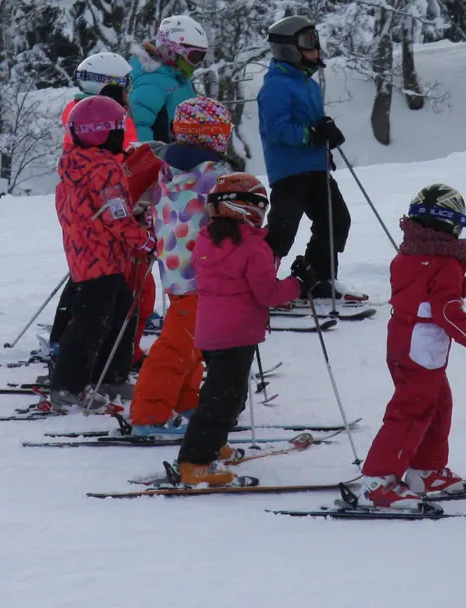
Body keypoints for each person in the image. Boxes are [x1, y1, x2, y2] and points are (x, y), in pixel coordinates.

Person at [351, 184, 466, 512]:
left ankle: (425, 471)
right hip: (421, 347)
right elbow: (446, 309)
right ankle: (377, 481)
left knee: (437, 404)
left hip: (405, 342)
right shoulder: (444, 263)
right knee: (411, 411)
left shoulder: (409, 253)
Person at [175, 172, 301, 487]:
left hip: (211, 333)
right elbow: (268, 293)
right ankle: (195, 460)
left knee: (223, 394)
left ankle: (213, 443)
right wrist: (300, 283)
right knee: (223, 400)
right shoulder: (252, 247)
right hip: (237, 334)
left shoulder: (205, 240)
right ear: (247, 208)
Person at [127, 97, 234, 436]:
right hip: (205, 274)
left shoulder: (168, 169)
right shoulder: (215, 175)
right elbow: (231, 222)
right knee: (178, 345)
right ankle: (149, 415)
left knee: (194, 341)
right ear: (215, 136)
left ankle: (185, 402)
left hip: (176, 271)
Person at [48, 95, 153, 408]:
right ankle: (67, 386)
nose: (122, 136)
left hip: (85, 252)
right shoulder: (104, 169)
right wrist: (144, 239)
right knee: (92, 321)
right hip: (102, 257)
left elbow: (92, 211)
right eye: (118, 129)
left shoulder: (74, 165)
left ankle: (111, 377)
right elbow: (115, 216)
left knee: (121, 310)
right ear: (101, 132)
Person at [258, 15, 353, 301]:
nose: (316, 49)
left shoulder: (308, 84)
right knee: (283, 229)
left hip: (316, 167)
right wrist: (311, 134)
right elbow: (276, 129)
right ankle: (260, 283)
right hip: (290, 171)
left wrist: (326, 130)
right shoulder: (276, 86)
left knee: (336, 220)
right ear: (288, 48)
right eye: (308, 43)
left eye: (316, 42)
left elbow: (310, 122)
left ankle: (317, 277)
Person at [130, 15, 209, 144]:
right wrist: (153, 161)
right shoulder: (151, 84)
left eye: (201, 57)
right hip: (162, 160)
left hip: (182, 158)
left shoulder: (180, 80)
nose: (197, 64)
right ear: (170, 51)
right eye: (193, 57)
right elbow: (139, 129)